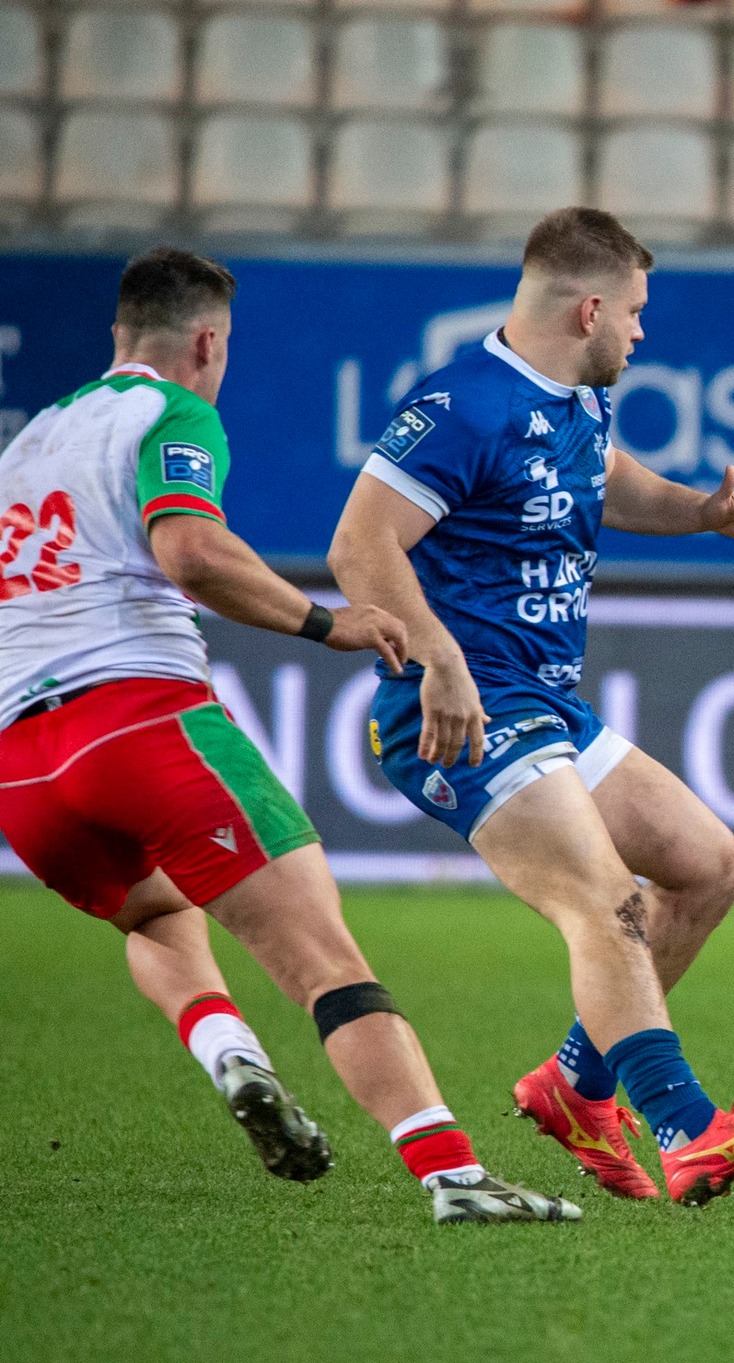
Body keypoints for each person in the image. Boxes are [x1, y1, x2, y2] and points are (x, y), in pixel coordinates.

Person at [0, 247, 578, 1224]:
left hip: (23, 768)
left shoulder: (27, 444)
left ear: (115, 335)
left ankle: (229, 1052)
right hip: (139, 720)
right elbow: (190, 549)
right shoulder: (175, 414)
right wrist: (328, 621)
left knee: (154, 915)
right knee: (324, 959)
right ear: (207, 341)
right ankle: (454, 1176)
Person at [328, 208, 734, 1206]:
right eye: (636, 313)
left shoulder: (577, 397)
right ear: (589, 307)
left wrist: (702, 514)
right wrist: (437, 656)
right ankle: (690, 1131)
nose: (643, 333)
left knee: (708, 866)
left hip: (546, 703)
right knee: (603, 902)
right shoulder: (460, 405)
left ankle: (572, 1083)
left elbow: (602, 480)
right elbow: (359, 546)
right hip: (460, 714)